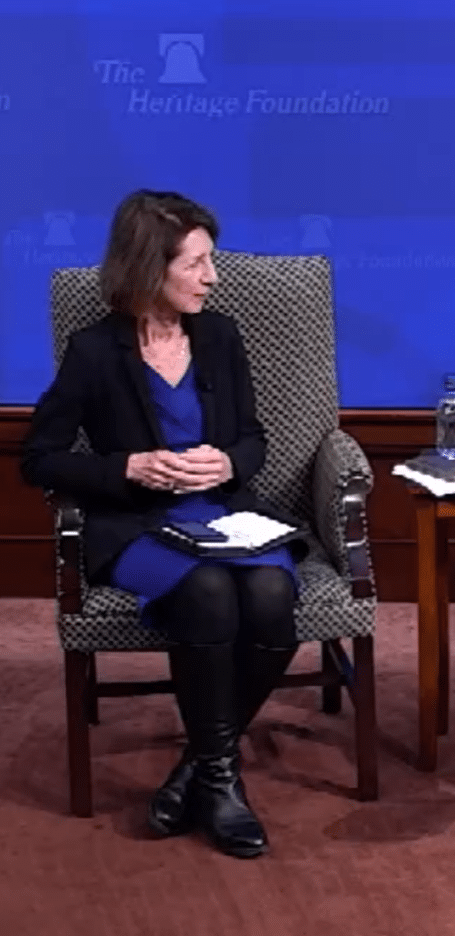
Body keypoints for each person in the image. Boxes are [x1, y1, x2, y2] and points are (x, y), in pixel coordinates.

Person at [22, 190, 306, 859]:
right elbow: (39, 459)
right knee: (208, 592)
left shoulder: (221, 336)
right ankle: (224, 784)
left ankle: (197, 771)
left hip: (223, 514)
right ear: (153, 266)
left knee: (270, 596)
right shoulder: (94, 352)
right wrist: (129, 468)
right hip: (137, 526)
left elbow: (253, 440)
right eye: (199, 262)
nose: (213, 276)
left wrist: (223, 462)